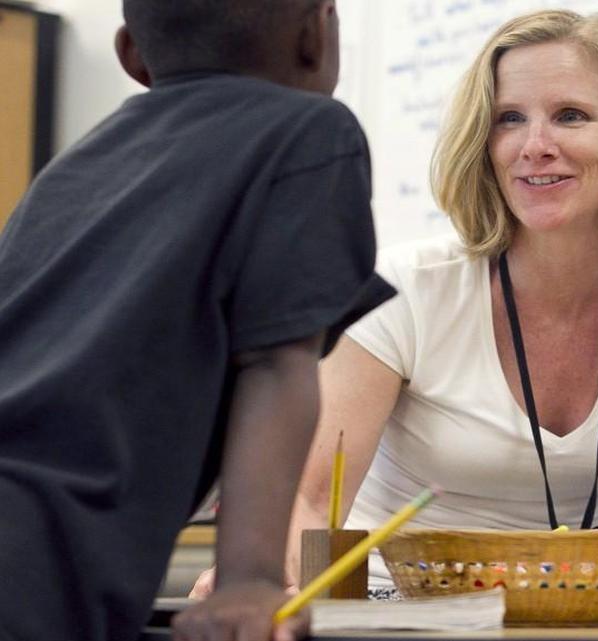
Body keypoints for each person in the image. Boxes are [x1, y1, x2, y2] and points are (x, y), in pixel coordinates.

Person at [192, 9, 598, 616]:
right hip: (413, 592)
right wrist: (269, 574)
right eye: (509, 119)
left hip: (590, 587)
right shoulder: (406, 285)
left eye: (569, 115)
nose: (534, 144)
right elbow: (307, 493)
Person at [0, 1, 395, 639]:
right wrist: (250, 581)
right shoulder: (307, 131)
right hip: (38, 562)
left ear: (132, 55)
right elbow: (274, 363)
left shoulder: (71, 171)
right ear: (316, 34)